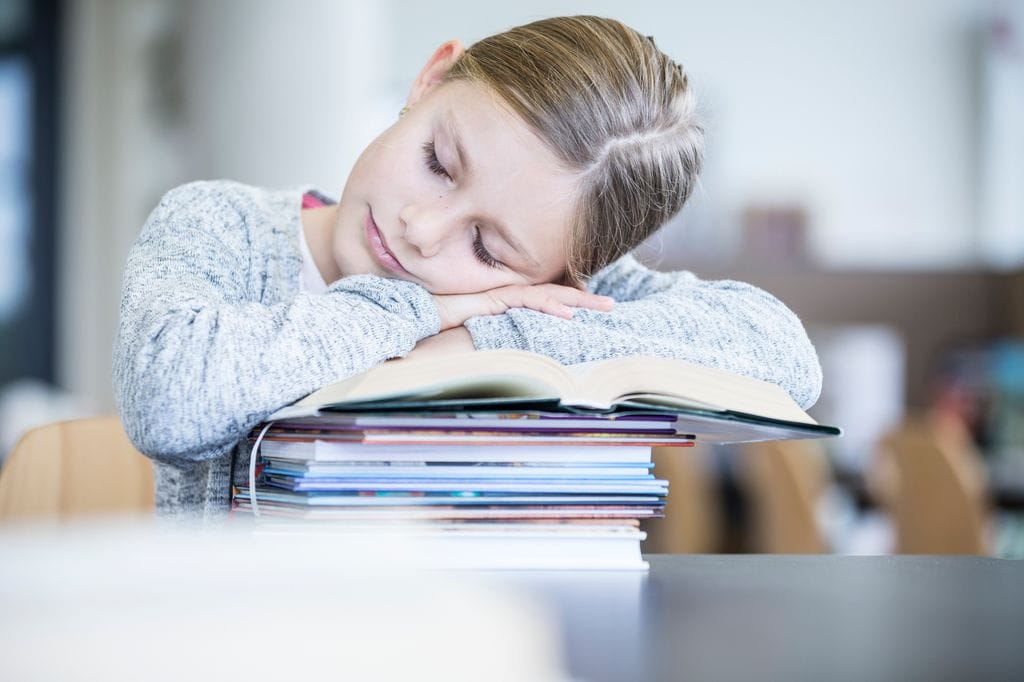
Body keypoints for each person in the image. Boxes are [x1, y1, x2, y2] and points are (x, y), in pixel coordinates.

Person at [113, 16, 823, 518]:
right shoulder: (220, 226)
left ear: (559, 281)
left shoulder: (543, 296)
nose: (421, 232)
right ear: (431, 78)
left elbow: (784, 355)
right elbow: (170, 402)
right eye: (437, 163)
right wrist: (410, 312)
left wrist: (488, 335)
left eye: (487, 249)